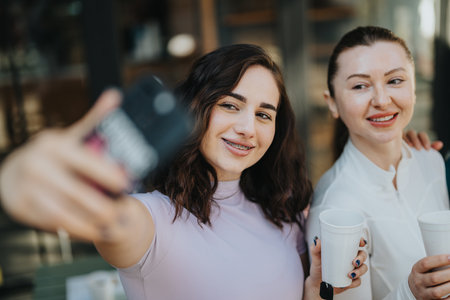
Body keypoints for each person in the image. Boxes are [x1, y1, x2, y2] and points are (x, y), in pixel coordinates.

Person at [0, 44, 368, 299]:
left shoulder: (282, 214)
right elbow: (110, 220)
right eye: (229, 105)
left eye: (263, 114)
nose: (248, 128)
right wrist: (18, 174)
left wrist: (315, 292)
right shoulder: (153, 218)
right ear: (196, 107)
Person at [305, 26, 450, 300]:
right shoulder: (337, 208)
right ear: (332, 103)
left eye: (395, 81)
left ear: (414, 88)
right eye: (360, 86)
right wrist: (411, 292)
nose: (382, 100)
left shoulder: (432, 161)